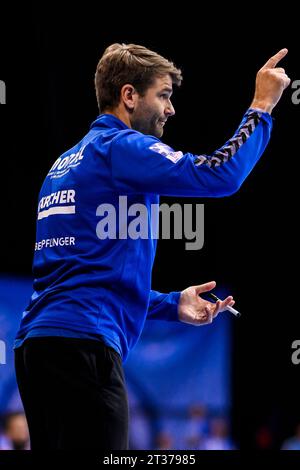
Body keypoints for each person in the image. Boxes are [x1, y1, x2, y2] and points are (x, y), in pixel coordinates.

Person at [14, 43, 290, 450]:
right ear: (129, 95)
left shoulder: (63, 165)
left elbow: (82, 279)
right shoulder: (121, 148)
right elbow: (220, 175)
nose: (171, 109)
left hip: (38, 350)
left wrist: (169, 303)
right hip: (83, 349)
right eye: (163, 95)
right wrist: (261, 106)